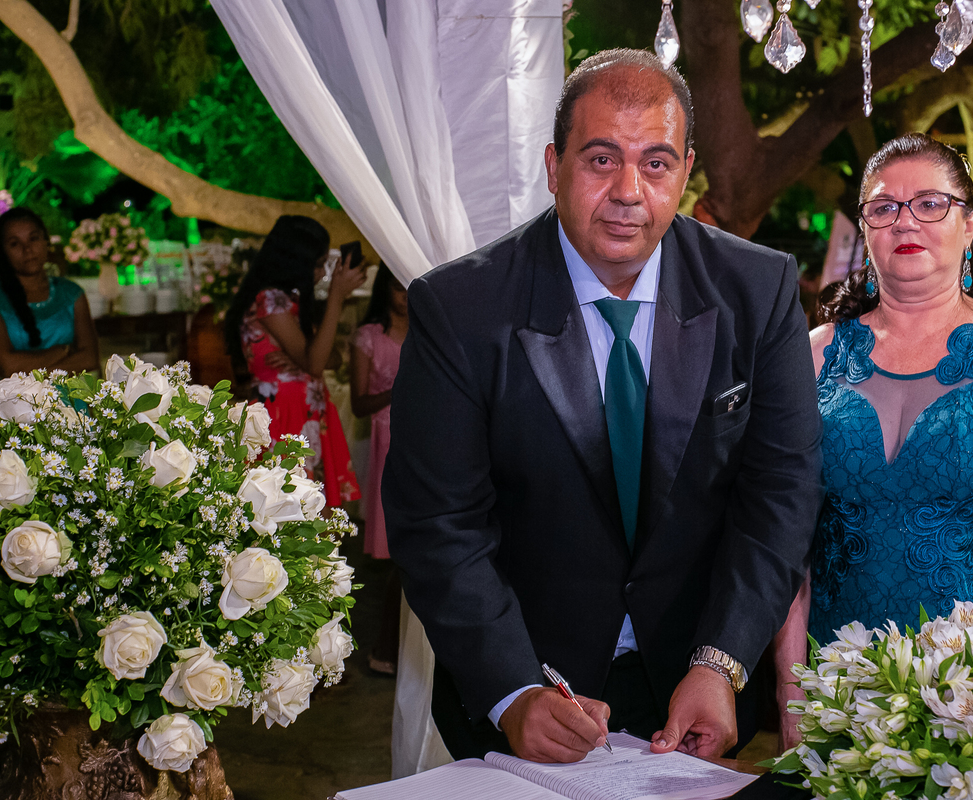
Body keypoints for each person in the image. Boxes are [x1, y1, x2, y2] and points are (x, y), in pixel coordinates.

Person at [383, 49, 822, 764]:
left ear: (686, 170)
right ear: (553, 166)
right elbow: (438, 523)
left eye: (656, 163)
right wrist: (512, 691)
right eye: (600, 160)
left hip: (693, 687)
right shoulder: (459, 308)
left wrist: (722, 662)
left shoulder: (759, 289)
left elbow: (782, 493)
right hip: (527, 692)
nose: (628, 191)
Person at [772, 132, 973, 750]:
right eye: (884, 207)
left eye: (929, 203)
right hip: (839, 690)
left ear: (969, 224)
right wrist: (792, 694)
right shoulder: (815, 356)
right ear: (865, 228)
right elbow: (786, 545)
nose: (905, 221)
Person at [224, 215, 363, 507]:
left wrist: (306, 357)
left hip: (305, 410)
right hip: (282, 413)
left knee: (313, 508)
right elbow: (316, 363)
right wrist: (336, 297)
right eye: (318, 264)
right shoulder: (270, 300)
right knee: (290, 506)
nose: (323, 273)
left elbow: (332, 359)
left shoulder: (289, 302)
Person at [350, 262, 407, 676]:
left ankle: (396, 650)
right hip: (387, 442)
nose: (405, 296)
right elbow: (358, 404)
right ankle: (387, 648)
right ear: (384, 290)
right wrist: (400, 390)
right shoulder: (369, 337)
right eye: (397, 287)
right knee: (398, 553)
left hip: (423, 435)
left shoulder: (428, 328)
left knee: (410, 554)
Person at [0, 207, 99, 378]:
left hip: (70, 395)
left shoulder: (71, 293)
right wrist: (63, 351)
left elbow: (90, 359)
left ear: (46, 241)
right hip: (16, 394)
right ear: (2, 251)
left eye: (33, 239)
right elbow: (7, 366)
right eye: (15, 243)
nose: (27, 249)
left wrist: (30, 371)